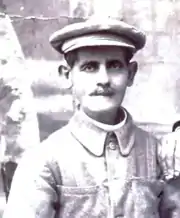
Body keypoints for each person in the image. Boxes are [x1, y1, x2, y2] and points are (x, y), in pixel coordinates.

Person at [3, 17, 180, 218]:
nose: (103, 80)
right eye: (90, 67)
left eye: (114, 66)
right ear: (66, 75)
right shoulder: (43, 162)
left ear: (130, 74)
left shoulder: (159, 155)